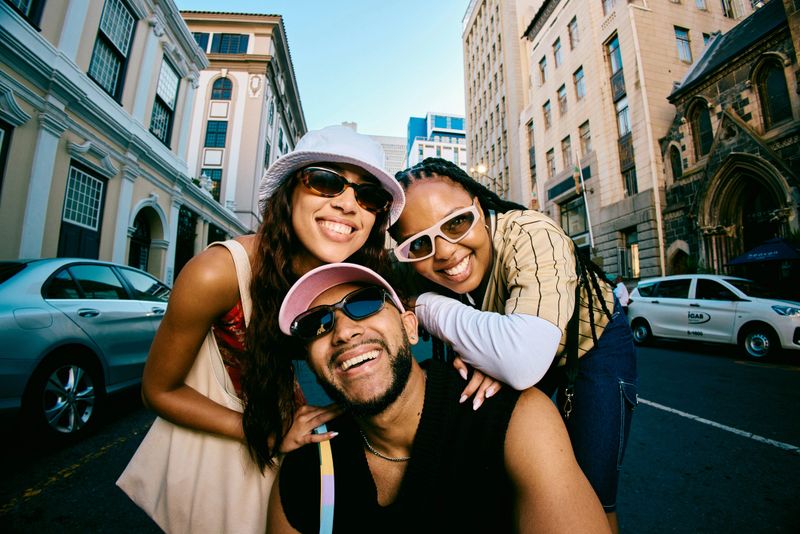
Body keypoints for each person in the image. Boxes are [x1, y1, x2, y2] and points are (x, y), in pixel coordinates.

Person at [138, 125, 406, 530]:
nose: (349, 205)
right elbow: (158, 390)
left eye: (368, 195)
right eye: (326, 181)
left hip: (310, 472)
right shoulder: (218, 272)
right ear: (290, 191)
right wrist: (265, 434)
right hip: (236, 472)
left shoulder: (355, 279)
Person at [388, 158, 638, 533]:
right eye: (419, 243)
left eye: (457, 223)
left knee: (593, 489)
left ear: (479, 204)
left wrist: (428, 307)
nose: (443, 252)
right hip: (523, 344)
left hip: (591, 343)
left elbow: (521, 360)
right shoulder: (417, 265)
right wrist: (490, 355)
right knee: (503, 475)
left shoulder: (532, 232)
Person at [267, 263, 611, 533]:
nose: (343, 331)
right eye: (317, 324)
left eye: (364, 303)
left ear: (411, 327)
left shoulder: (512, 420)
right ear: (309, 359)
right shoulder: (306, 468)